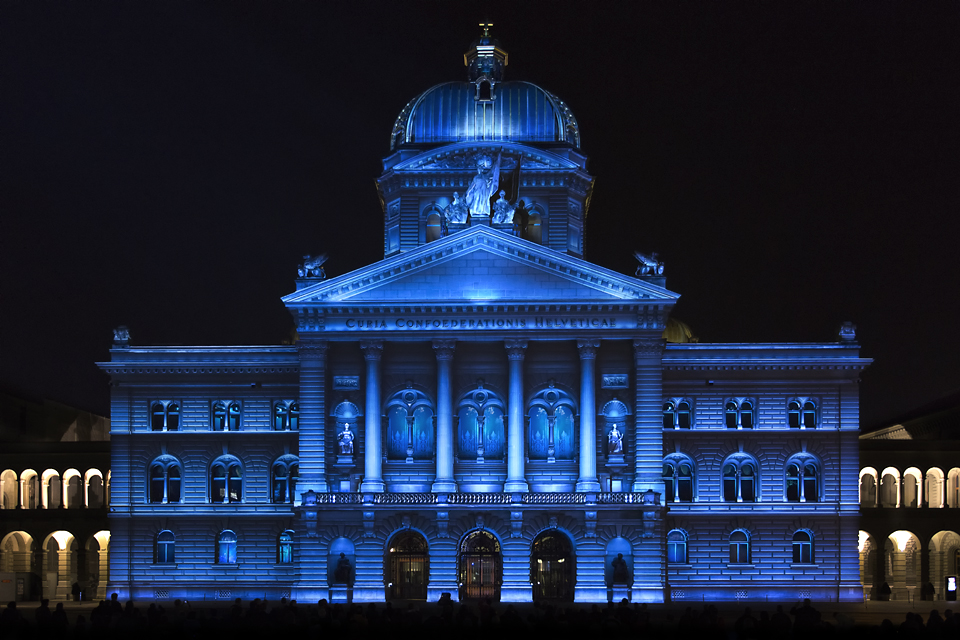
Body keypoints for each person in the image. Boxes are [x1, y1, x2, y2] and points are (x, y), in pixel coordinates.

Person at [465, 153, 501, 219]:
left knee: (484, 202)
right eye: (479, 169)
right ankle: (476, 212)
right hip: (477, 191)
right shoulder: (476, 177)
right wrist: (468, 192)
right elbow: (472, 186)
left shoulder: (484, 177)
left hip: (484, 192)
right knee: (477, 201)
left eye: (481, 169)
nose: (480, 170)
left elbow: (490, 181)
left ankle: (483, 211)